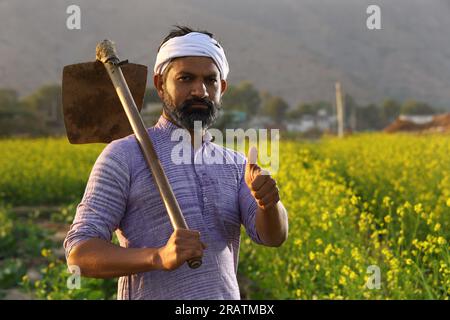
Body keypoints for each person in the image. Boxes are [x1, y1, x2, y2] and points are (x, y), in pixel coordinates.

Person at [63, 26, 288, 300]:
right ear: (160, 85)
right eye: (185, 78)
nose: (200, 91)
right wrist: (157, 256)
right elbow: (79, 253)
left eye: (210, 80)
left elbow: (273, 237)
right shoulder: (124, 156)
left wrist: (268, 204)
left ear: (222, 88)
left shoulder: (235, 163)